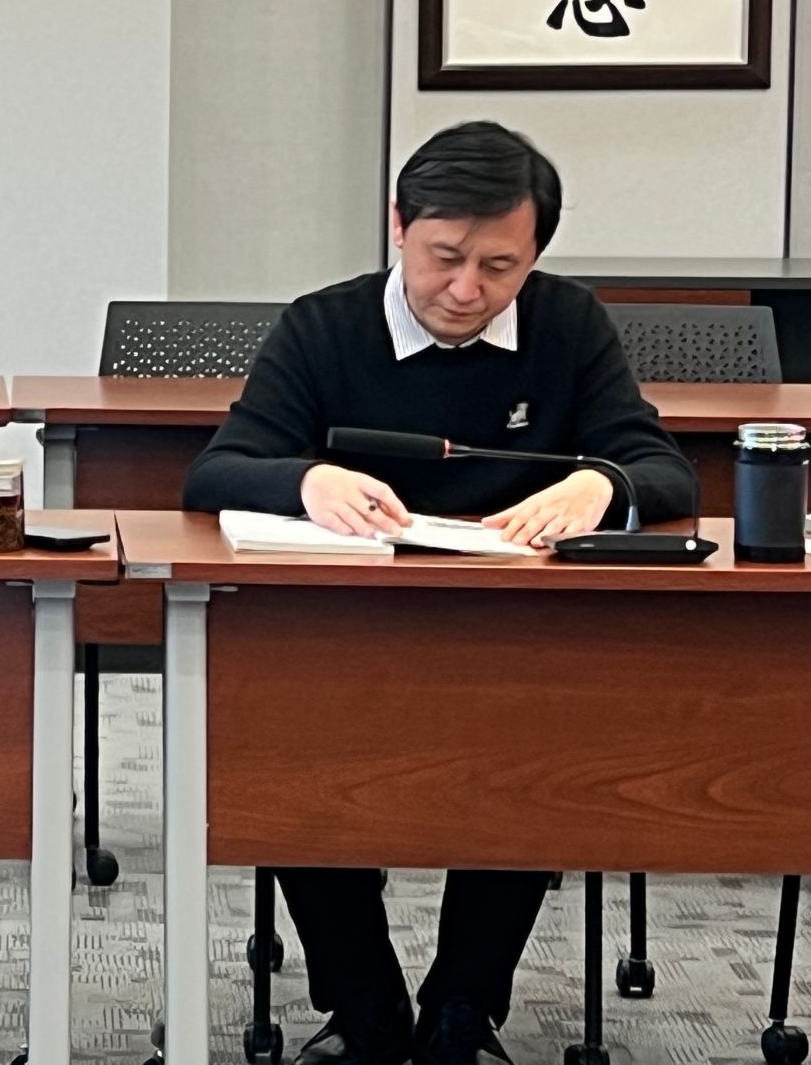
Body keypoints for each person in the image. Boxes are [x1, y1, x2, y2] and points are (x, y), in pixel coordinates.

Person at [183, 120, 696, 1065]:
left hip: (517, 640)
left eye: (499, 267)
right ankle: (363, 1007)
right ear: (398, 226)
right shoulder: (325, 325)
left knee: (537, 758)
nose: (466, 290)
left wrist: (601, 483)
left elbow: (663, 468)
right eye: (444, 258)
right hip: (343, 638)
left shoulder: (568, 323)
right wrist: (307, 480)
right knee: (281, 747)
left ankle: (464, 1008)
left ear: (535, 253)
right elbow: (217, 471)